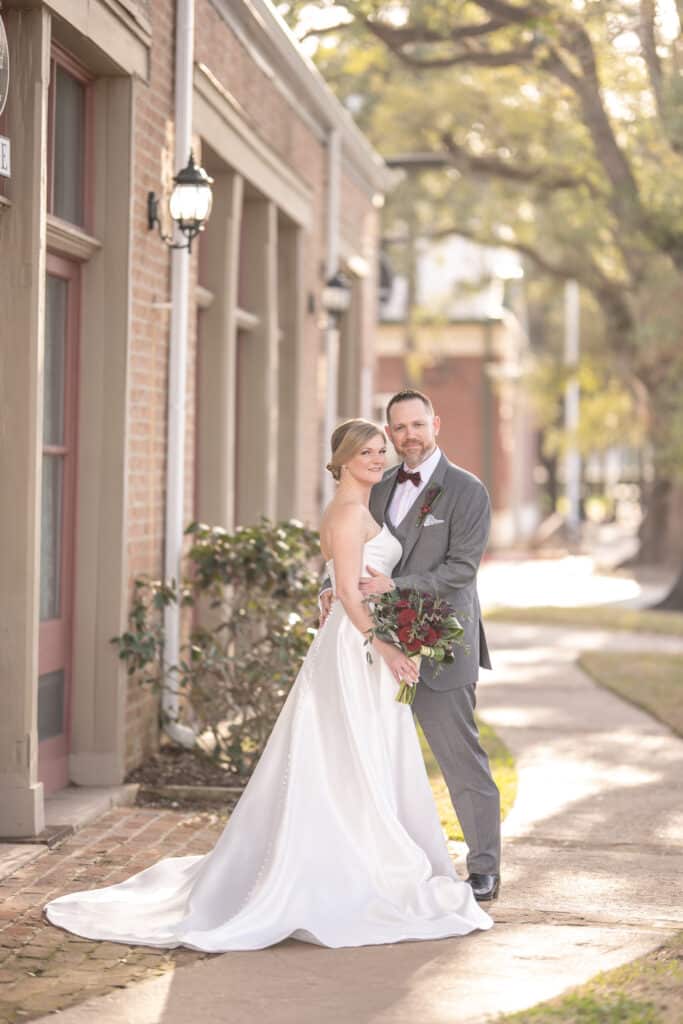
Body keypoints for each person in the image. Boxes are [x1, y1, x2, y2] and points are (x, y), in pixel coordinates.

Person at [44, 418, 492, 950]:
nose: (380, 458)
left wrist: (334, 592)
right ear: (343, 460)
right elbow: (351, 593)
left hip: (358, 644)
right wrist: (388, 646)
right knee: (347, 755)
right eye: (369, 451)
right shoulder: (350, 513)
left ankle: (363, 854)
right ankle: (348, 867)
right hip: (359, 649)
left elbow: (341, 581)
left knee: (360, 756)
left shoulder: (362, 506)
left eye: (382, 450)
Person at [320, 390, 501, 902]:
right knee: (377, 762)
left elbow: (461, 570)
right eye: (398, 428)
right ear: (388, 431)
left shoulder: (467, 491)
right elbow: (346, 549)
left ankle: (485, 865)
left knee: (461, 761)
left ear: (435, 424)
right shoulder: (374, 484)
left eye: (417, 424)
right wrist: (328, 588)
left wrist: (396, 588)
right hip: (373, 653)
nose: (408, 437)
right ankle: (382, 864)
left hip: (439, 646)